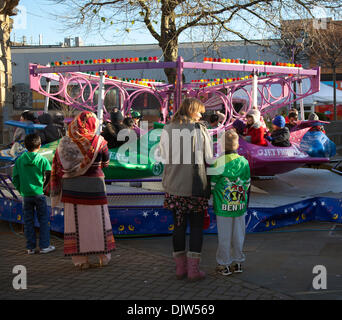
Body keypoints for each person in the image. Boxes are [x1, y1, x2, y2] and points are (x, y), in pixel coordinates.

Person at [50, 111, 116, 269]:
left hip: (72, 189)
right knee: (99, 221)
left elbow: (58, 165)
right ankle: (103, 257)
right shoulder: (99, 142)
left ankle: (81, 261)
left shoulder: (64, 143)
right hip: (95, 188)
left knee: (76, 224)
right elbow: (106, 162)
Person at [160, 98, 213, 281]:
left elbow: (162, 155)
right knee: (197, 227)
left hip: (174, 185)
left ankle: (180, 268)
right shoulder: (199, 129)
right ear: (192, 111)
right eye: (199, 112)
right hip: (194, 186)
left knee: (178, 226)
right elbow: (209, 156)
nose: (201, 115)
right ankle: (193, 270)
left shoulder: (167, 128)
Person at [211, 130, 250, 275]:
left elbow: (213, 186)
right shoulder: (244, 162)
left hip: (222, 207)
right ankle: (238, 262)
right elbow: (246, 183)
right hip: (239, 206)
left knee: (224, 236)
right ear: (237, 144)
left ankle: (224, 264)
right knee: (239, 235)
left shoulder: (218, 162)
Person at [12, 133, 55, 255]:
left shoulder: (19, 160)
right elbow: (49, 176)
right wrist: (43, 189)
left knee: (28, 221)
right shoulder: (43, 160)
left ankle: (30, 247)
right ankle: (44, 246)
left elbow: (15, 178)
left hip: (26, 195)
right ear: (40, 145)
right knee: (43, 220)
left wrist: (21, 190)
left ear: (25, 145)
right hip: (39, 194)